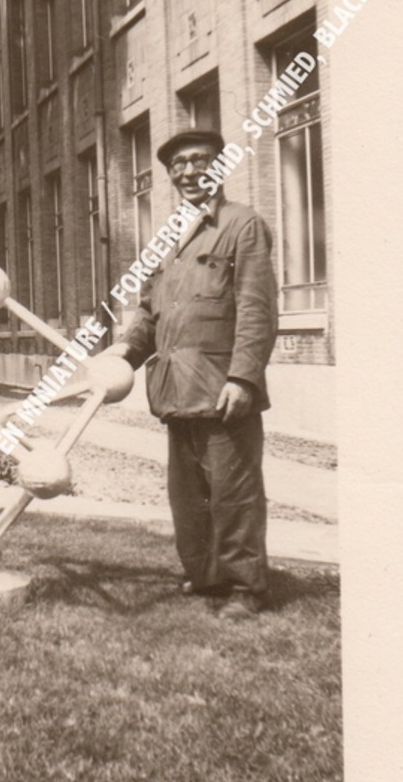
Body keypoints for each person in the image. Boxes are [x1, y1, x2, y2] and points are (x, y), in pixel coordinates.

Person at [110, 130, 278, 619]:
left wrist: (243, 378)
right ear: (169, 175)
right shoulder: (168, 238)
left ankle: (246, 588)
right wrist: (121, 355)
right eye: (177, 165)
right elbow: (148, 312)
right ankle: (206, 577)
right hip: (175, 387)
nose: (188, 172)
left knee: (234, 492)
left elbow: (256, 307)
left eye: (200, 160)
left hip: (222, 386)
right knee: (189, 497)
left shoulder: (243, 224)